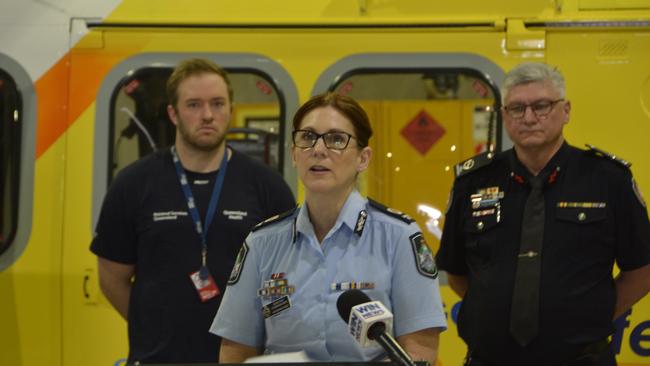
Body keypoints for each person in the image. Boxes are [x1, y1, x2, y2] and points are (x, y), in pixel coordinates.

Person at [436, 62, 650, 366]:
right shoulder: (473, 181)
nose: (529, 117)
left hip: (580, 359)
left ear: (565, 110)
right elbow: (457, 271)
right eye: (517, 108)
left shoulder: (607, 179)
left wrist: (592, 313)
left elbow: (642, 269)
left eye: (541, 106)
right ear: (504, 116)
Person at [210, 92, 447, 364]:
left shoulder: (399, 237)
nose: (319, 150)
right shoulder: (262, 242)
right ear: (294, 155)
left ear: (363, 158)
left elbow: (421, 351)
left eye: (336, 139)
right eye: (308, 137)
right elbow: (235, 350)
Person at [90, 58, 295, 364]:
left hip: (241, 358)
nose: (208, 115)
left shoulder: (266, 186)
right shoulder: (134, 183)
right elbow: (111, 279)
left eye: (217, 103)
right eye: (194, 105)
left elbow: (288, 278)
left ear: (230, 109)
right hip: (158, 358)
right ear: (173, 113)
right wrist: (152, 327)